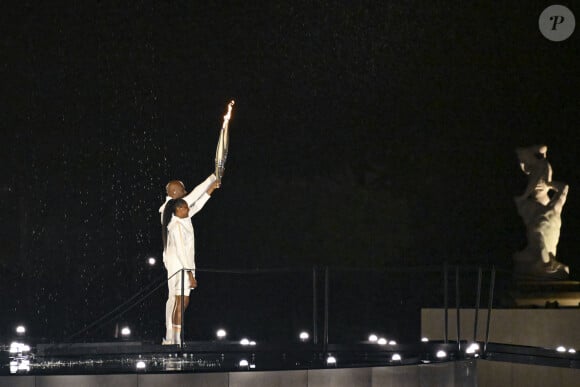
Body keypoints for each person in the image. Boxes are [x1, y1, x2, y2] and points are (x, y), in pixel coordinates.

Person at [160, 175, 220, 344]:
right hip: (178, 263)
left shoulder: (179, 213)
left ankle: (171, 338)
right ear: (174, 193)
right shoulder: (169, 210)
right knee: (179, 300)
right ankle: (175, 339)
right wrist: (212, 178)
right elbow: (194, 196)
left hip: (179, 262)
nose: (185, 193)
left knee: (175, 301)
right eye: (182, 190)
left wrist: (210, 190)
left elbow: (196, 205)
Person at [513, 145, 569, 279]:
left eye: (541, 179)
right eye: (535, 180)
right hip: (537, 256)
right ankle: (544, 262)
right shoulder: (526, 206)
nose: (538, 184)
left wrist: (548, 183)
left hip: (548, 256)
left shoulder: (553, 207)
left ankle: (546, 262)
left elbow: (564, 188)